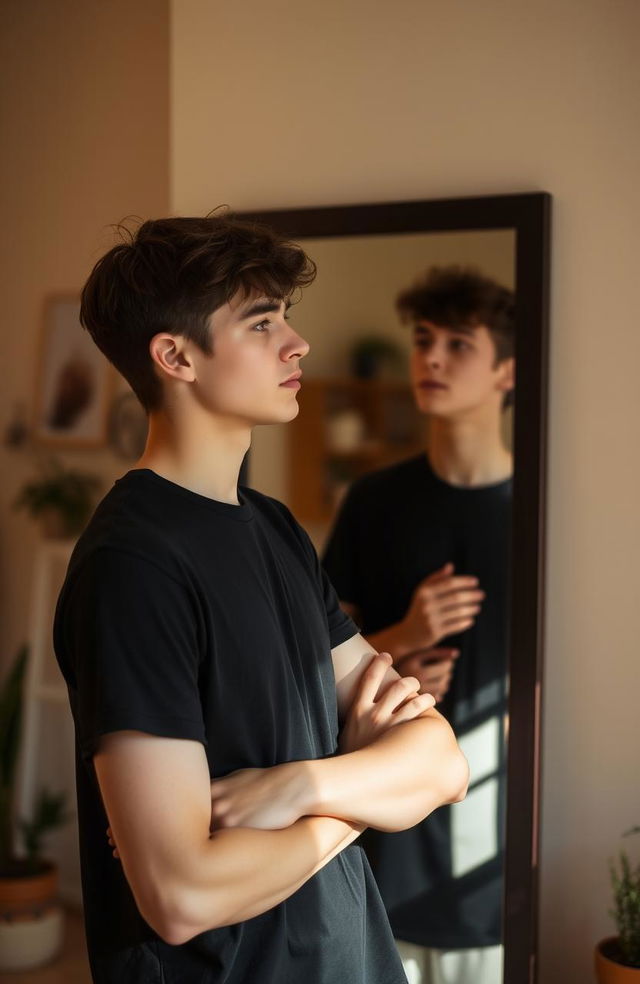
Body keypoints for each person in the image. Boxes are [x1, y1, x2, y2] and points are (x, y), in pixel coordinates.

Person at [53, 216, 469, 984]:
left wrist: (302, 786)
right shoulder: (133, 566)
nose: (297, 343)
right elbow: (181, 893)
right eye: (262, 321)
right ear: (175, 356)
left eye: (287, 316)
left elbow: (441, 763)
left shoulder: (275, 530)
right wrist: (356, 784)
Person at [322, 266, 515, 984]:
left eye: (458, 344)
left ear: (507, 371)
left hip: (495, 815)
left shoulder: (541, 508)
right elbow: (315, 648)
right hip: (384, 806)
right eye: (423, 340)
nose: (431, 359)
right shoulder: (373, 501)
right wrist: (399, 641)